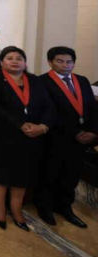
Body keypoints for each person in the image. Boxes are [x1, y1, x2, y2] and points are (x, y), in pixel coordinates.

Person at [0, 46, 55, 231]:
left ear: (25, 62)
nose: (15, 61)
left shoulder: (35, 81)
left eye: (19, 58)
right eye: (10, 58)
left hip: (32, 136)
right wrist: (19, 124)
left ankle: (16, 209)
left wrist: (43, 126)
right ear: (1, 62)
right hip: (3, 134)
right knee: (1, 170)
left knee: (24, 172)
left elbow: (49, 106)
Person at [35, 46, 98, 228]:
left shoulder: (82, 80)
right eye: (60, 61)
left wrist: (93, 132)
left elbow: (92, 109)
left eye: (69, 61)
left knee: (71, 175)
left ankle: (65, 207)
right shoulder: (42, 82)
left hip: (82, 140)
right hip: (56, 138)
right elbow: (48, 112)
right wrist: (75, 132)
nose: (65, 65)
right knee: (50, 173)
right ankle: (45, 208)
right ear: (50, 62)